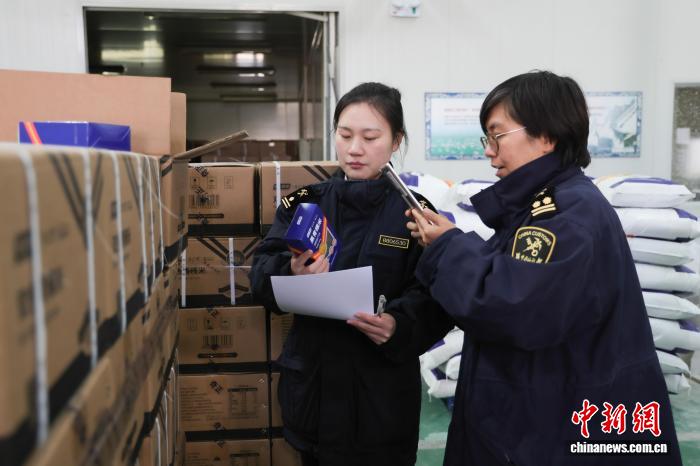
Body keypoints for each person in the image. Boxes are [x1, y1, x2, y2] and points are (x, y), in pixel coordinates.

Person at [407, 70, 682, 465]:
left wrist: (449, 247)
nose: (489, 152)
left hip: (558, 430)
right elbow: (513, 275)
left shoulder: (568, 215)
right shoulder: (543, 207)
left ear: (547, 136)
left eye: (497, 136)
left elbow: (515, 305)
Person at [250, 82, 453, 466]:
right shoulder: (305, 205)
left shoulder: (416, 215)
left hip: (381, 402)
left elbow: (438, 296)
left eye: (370, 137)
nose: (354, 149)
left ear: (396, 141)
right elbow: (259, 277)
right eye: (344, 135)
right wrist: (291, 271)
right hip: (314, 395)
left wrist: (398, 324)